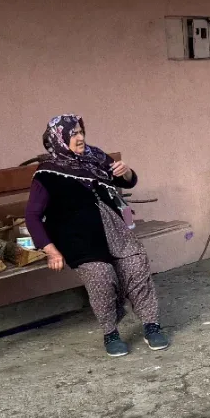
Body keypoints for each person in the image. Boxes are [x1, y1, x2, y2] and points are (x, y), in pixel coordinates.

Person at [25, 115, 171, 357]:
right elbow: (32, 215)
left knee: (135, 264)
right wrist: (50, 250)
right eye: (73, 134)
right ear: (59, 139)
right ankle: (110, 332)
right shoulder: (47, 173)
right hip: (77, 238)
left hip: (114, 229)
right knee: (101, 275)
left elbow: (130, 180)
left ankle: (151, 325)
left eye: (81, 132)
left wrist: (126, 172)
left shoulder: (96, 157)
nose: (80, 137)